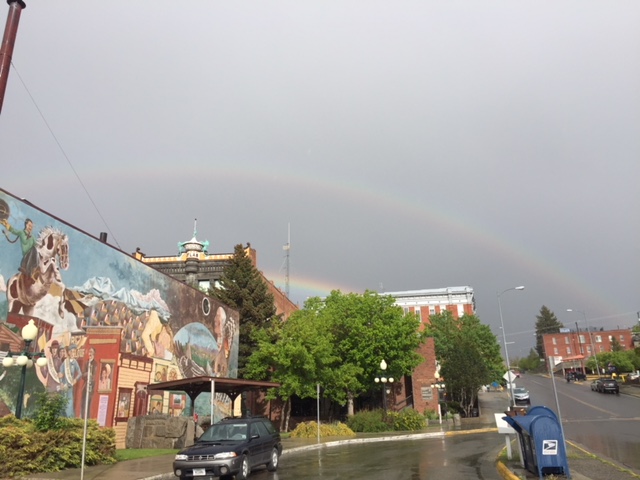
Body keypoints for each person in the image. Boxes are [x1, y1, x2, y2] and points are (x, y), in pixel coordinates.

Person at [1, 218, 39, 282]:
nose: (30, 228)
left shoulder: (32, 237)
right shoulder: (21, 233)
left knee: (36, 250)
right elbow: (13, 230)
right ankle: (28, 272)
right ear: (26, 225)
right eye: (29, 225)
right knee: (33, 249)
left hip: (33, 257)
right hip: (26, 256)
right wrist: (6, 224)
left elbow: (37, 245)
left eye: (31, 226)